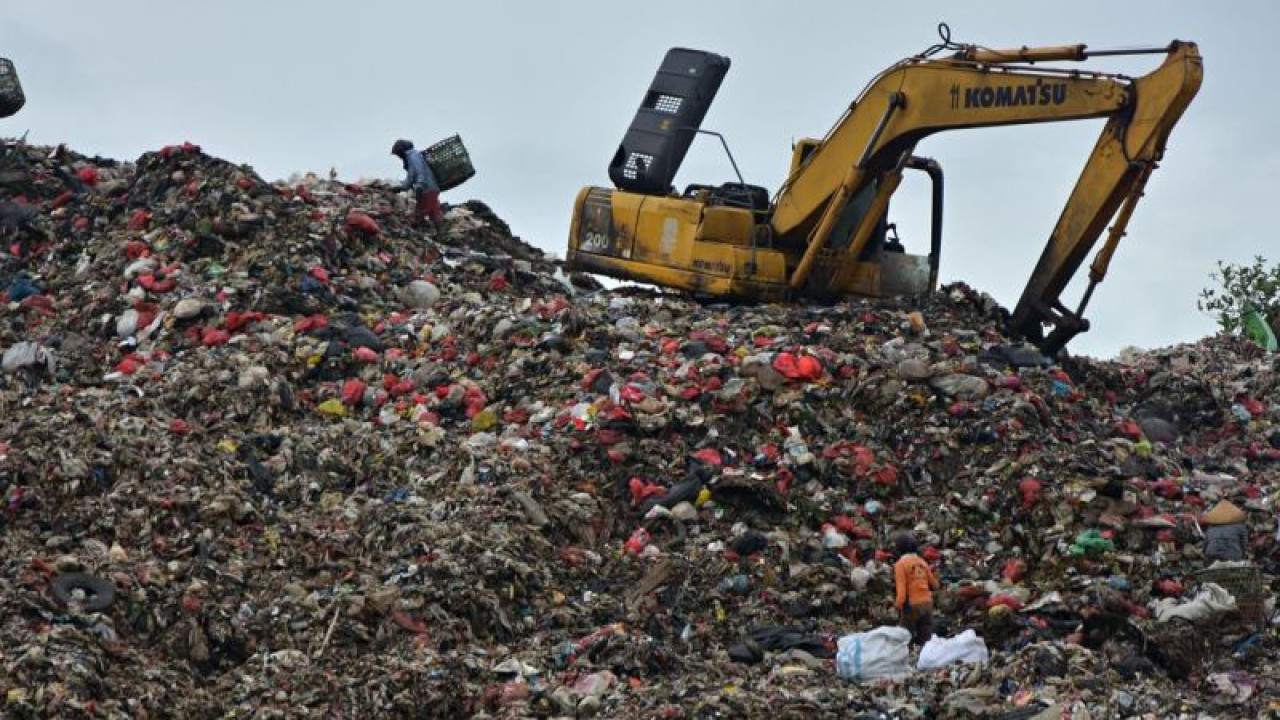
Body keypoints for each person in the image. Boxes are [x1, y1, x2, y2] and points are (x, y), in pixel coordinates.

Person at [893, 532, 940, 645]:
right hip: (927, 604)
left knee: (903, 639)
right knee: (925, 641)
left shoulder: (900, 564)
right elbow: (935, 585)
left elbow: (902, 593)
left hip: (912, 606)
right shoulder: (922, 562)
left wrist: (897, 607)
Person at [390, 139, 442, 229]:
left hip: (427, 188)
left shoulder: (413, 156)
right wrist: (402, 187)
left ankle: (440, 234)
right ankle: (439, 233)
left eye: (398, 154)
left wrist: (419, 185)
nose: (398, 156)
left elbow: (419, 171)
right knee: (433, 212)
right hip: (429, 188)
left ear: (401, 151)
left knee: (422, 212)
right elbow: (411, 176)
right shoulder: (410, 157)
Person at [1202, 499, 1249, 563]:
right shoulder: (1240, 527)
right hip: (1233, 556)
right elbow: (1244, 545)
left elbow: (1205, 547)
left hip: (1212, 556)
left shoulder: (1210, 529)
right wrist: (1242, 558)